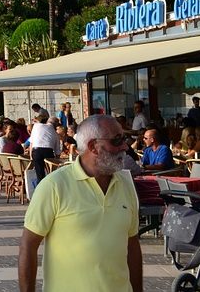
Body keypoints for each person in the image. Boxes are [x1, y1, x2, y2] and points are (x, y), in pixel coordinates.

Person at [18, 114, 142, 292]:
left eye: (124, 139)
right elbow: (28, 246)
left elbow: (132, 245)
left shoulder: (125, 185)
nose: (124, 146)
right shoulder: (54, 186)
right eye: (116, 140)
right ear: (93, 146)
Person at [28, 109, 59, 182]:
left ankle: (40, 189)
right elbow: (57, 152)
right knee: (50, 174)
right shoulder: (55, 133)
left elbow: (31, 143)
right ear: (56, 125)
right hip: (48, 151)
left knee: (40, 174)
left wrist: (31, 156)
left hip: (36, 151)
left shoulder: (36, 127)